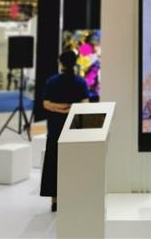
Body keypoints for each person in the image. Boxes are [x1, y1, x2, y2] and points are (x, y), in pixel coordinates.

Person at [40, 50, 89, 212]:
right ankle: (74, 196)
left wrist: (59, 108)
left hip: (55, 127)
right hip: (74, 127)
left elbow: (46, 104)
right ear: (75, 62)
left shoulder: (52, 81)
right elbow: (85, 103)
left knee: (53, 162)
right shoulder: (80, 82)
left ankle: (55, 200)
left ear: (60, 63)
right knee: (74, 161)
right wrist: (69, 109)